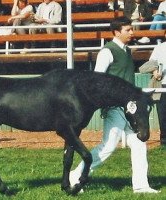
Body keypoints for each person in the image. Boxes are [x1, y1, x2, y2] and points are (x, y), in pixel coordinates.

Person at [69, 16, 160, 194]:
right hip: (115, 108)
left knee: (139, 144)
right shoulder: (107, 51)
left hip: (130, 108)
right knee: (108, 146)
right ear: (117, 32)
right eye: (128, 30)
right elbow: (96, 80)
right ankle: (76, 176)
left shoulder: (126, 51)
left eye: (131, 29)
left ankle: (141, 186)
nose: (132, 32)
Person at [139, 30, 166, 146]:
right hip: (162, 85)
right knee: (163, 114)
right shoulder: (159, 48)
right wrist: (155, 71)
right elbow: (151, 64)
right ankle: (164, 141)